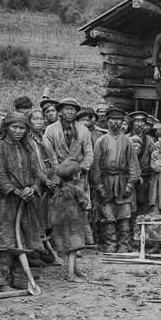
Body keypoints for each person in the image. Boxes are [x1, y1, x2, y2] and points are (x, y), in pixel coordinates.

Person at [0, 112, 45, 292]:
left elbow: (37, 172)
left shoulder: (28, 148)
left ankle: (19, 279)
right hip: (4, 203)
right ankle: (0, 283)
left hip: (25, 203)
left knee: (23, 240)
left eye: (22, 128)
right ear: (6, 128)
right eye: (14, 127)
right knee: (4, 241)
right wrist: (16, 191)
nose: (18, 131)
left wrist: (33, 188)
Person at [90, 107, 141, 253]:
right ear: (107, 121)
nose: (115, 123)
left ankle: (124, 245)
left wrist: (131, 184)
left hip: (123, 180)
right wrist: (98, 185)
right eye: (112, 120)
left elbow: (133, 164)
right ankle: (111, 244)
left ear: (123, 122)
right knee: (108, 214)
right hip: (106, 181)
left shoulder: (128, 142)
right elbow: (96, 165)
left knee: (124, 214)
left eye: (118, 120)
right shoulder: (101, 141)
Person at [44, 98, 94, 245]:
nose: (70, 112)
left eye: (73, 109)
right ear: (60, 111)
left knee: (79, 209)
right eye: (67, 108)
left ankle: (78, 243)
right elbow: (48, 152)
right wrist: (57, 172)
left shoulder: (83, 130)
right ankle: (59, 243)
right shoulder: (51, 129)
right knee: (59, 209)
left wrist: (79, 169)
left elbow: (89, 153)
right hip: (58, 176)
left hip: (77, 177)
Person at [49, 161, 88, 282]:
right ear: (75, 176)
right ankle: (71, 274)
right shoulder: (76, 189)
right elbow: (83, 203)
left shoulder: (60, 191)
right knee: (73, 249)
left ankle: (75, 269)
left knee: (70, 247)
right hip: (74, 224)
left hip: (64, 225)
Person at [27, 109, 60, 237]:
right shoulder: (27, 141)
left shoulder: (45, 139)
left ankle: (51, 240)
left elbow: (53, 158)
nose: (39, 122)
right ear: (29, 122)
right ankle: (39, 242)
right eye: (35, 119)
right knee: (37, 213)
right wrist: (44, 179)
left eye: (41, 119)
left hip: (51, 182)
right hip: (36, 183)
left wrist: (56, 176)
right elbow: (32, 165)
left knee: (50, 211)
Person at [127, 111, 155, 218]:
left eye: (142, 121)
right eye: (137, 121)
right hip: (128, 178)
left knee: (143, 208)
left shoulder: (149, 141)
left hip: (145, 178)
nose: (140, 124)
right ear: (132, 123)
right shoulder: (125, 138)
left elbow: (154, 159)